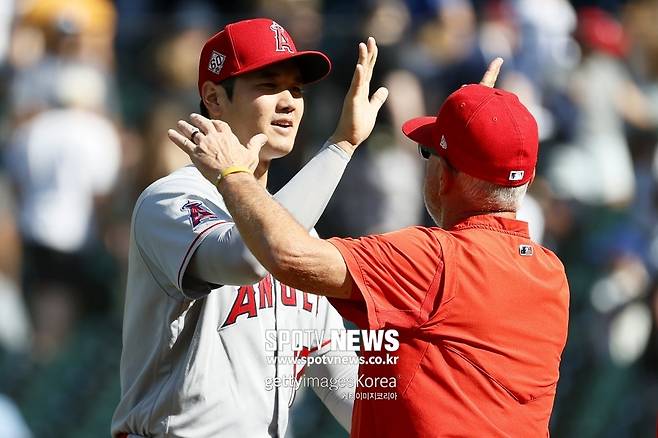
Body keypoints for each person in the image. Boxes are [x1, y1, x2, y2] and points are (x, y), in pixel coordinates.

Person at [172, 59, 570, 437]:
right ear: (528, 178)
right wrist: (476, 129)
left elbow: (285, 253)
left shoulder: (432, 261)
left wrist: (233, 174)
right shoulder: (551, 275)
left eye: (428, 152)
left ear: (444, 176)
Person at [112, 18, 388, 438]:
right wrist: (341, 146)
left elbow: (345, 388)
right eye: (268, 85)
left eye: (296, 90)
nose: (289, 102)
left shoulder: (302, 235)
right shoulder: (170, 201)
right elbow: (252, 254)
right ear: (214, 98)